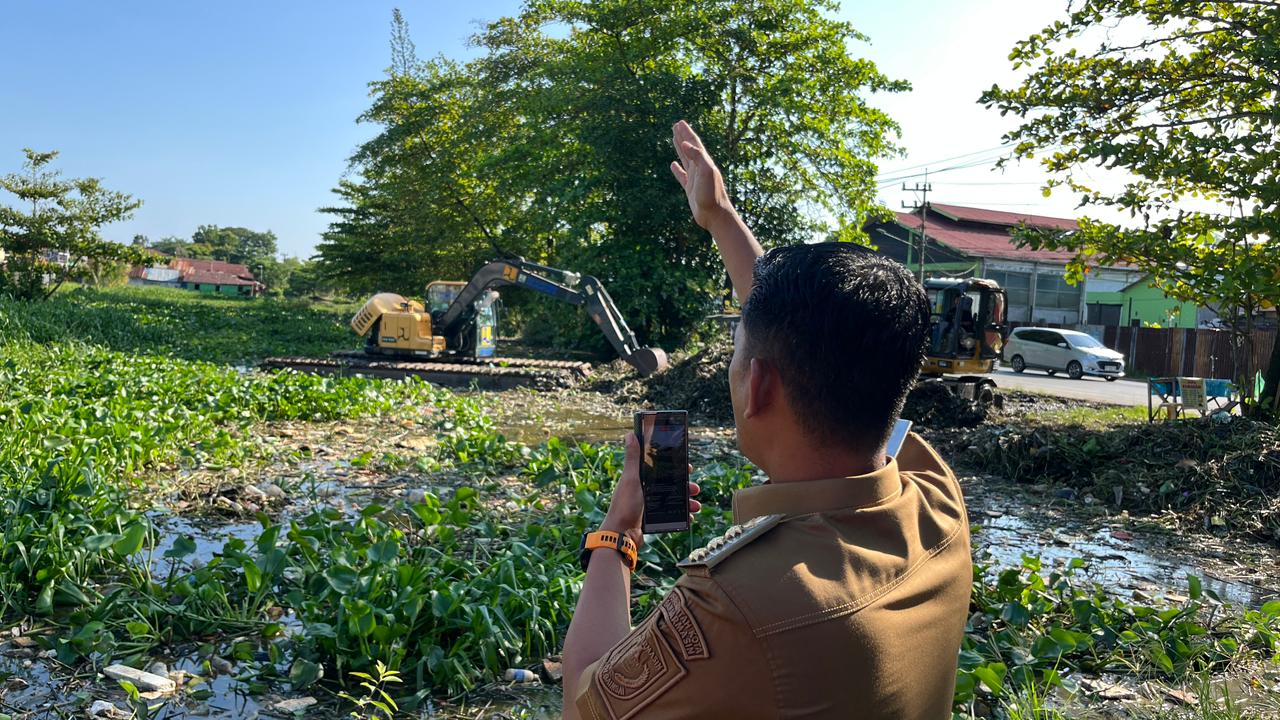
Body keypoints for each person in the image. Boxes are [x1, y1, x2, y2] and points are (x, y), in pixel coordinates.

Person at [560, 120, 971, 720]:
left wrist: (616, 534)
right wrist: (720, 217)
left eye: (735, 356)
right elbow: (827, 341)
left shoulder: (738, 605)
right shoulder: (935, 498)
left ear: (758, 386)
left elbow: (581, 703)